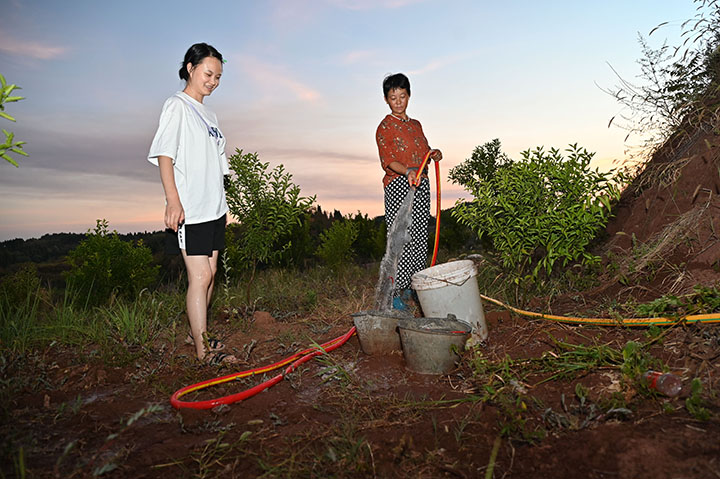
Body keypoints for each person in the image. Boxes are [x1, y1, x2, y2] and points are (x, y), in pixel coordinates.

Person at [148, 43, 237, 365]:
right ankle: (204, 351)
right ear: (190, 68)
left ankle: (194, 332)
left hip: (214, 208)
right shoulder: (177, 106)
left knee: (210, 275)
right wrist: (173, 201)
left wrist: (224, 205)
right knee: (199, 278)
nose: (213, 81)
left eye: (218, 76)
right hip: (192, 209)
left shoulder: (209, 115)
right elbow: (165, 154)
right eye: (208, 73)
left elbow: (216, 164)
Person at [376, 73, 442, 311]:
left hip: (421, 183)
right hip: (399, 185)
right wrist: (407, 172)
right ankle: (396, 292)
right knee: (401, 238)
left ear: (409, 96)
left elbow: (423, 151)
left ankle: (414, 289)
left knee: (420, 238)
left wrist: (433, 154)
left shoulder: (416, 125)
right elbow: (389, 160)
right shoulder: (384, 127)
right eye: (393, 97)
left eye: (402, 96)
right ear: (386, 100)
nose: (398, 101)